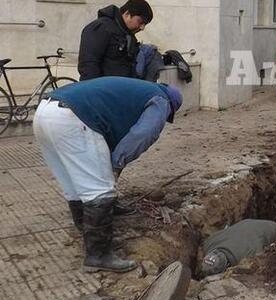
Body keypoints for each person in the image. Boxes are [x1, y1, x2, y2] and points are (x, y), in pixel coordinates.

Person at [33, 77, 183, 273]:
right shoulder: (161, 101)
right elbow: (143, 134)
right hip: (73, 118)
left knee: (73, 182)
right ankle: (98, 255)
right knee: (100, 190)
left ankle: (84, 226)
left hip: (44, 113)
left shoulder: (136, 90)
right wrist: (117, 163)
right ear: (172, 106)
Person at [78, 0, 154, 81]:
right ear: (127, 14)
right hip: (102, 89)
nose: (142, 27)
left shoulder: (128, 35)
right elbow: (89, 65)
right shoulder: (101, 28)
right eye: (140, 22)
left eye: (144, 24)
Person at [200, 219, 276, 277]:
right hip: (246, 224)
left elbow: (259, 262)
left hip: (273, 229)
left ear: (227, 267)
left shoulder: (248, 253)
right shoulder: (208, 244)